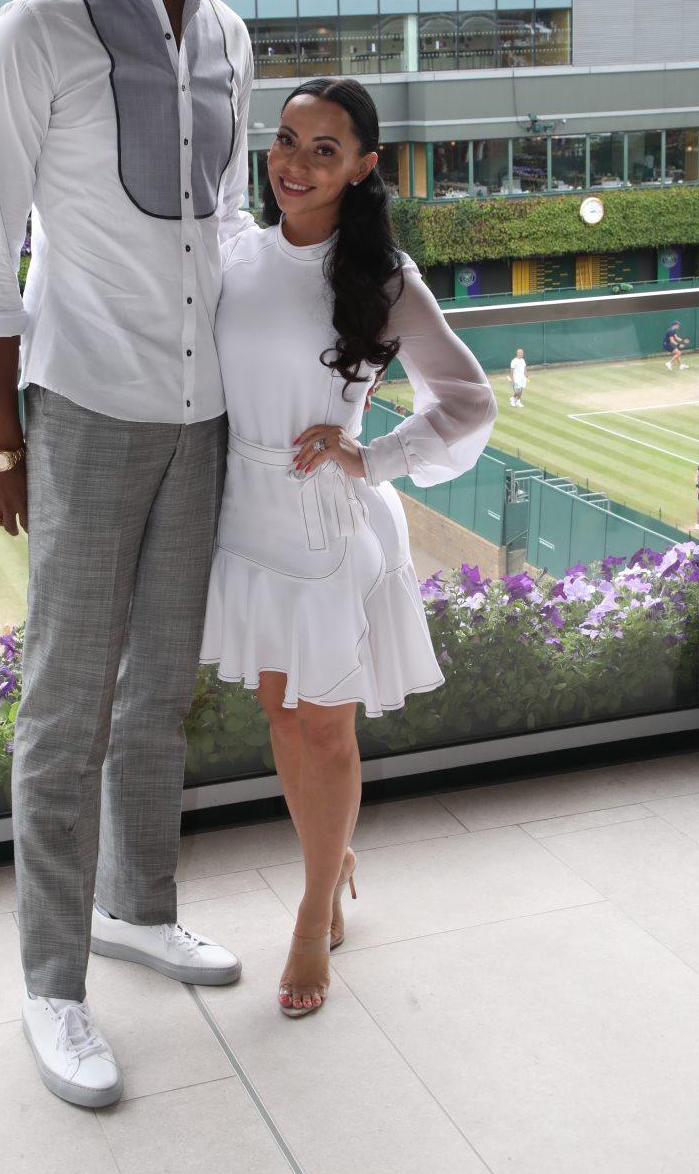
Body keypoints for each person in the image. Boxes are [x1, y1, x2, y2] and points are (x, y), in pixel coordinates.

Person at [0, 0, 252, 1108]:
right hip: (83, 409)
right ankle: (52, 984)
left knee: (157, 690)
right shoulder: (40, 27)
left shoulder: (233, 34)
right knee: (66, 702)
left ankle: (139, 907)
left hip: (203, 416)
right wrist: (3, 437)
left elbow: (230, 225)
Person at [199, 76, 497, 1017]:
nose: (294, 164)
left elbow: (468, 401)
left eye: (324, 150)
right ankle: (334, 861)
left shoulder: (380, 278)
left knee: (324, 728)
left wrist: (375, 455)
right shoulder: (234, 248)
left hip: (327, 523)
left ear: (364, 166)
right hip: (244, 521)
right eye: (286, 141)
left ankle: (311, 910)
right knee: (283, 719)